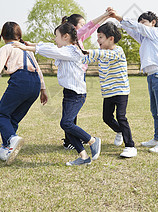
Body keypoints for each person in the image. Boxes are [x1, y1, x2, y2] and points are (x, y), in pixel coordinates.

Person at [13, 22, 101, 166]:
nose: (55, 39)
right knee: (67, 125)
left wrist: (26, 47)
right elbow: (50, 47)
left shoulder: (71, 51)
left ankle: (92, 140)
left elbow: (49, 50)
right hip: (69, 93)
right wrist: (31, 44)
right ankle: (84, 157)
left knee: (66, 123)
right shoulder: (65, 49)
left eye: (56, 36)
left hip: (77, 94)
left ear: (66, 37)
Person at [0, 22, 48, 165]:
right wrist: (43, 90)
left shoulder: (6, 48)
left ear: (3, 36)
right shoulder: (27, 49)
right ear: (19, 35)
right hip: (35, 84)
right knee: (11, 120)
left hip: (21, 81)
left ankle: (11, 139)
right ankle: (6, 149)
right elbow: (39, 69)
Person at [108, 9, 158, 153]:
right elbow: (133, 31)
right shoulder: (145, 38)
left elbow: (138, 28)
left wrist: (119, 17)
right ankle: (157, 138)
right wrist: (120, 22)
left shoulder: (156, 33)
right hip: (151, 76)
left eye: (143, 22)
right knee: (155, 111)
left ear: (153, 23)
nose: (141, 25)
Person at [82, 22, 137, 158]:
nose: (97, 40)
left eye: (100, 37)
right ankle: (119, 131)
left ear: (110, 38)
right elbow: (86, 58)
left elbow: (106, 55)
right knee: (106, 117)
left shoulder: (118, 51)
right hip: (108, 92)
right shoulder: (100, 53)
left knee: (121, 117)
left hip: (121, 90)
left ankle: (130, 146)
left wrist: (91, 52)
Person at [61, 11, 110, 150]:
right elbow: (90, 25)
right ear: (74, 27)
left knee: (71, 112)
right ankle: (70, 140)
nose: (84, 26)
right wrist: (104, 14)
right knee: (69, 112)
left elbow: (92, 27)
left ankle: (70, 139)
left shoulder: (79, 39)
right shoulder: (74, 37)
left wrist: (105, 17)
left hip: (78, 76)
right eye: (81, 24)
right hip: (74, 77)